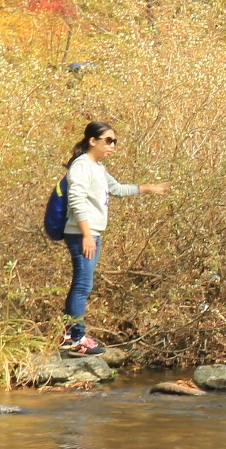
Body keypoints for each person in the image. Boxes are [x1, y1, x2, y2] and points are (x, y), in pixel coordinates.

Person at [59, 121, 168, 356]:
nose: (112, 145)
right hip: (81, 234)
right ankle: (76, 339)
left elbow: (117, 189)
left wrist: (149, 188)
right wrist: (87, 235)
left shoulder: (98, 168)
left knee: (82, 284)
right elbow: (76, 200)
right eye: (108, 140)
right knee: (82, 285)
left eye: (115, 141)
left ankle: (71, 334)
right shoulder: (81, 166)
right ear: (92, 141)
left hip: (91, 233)